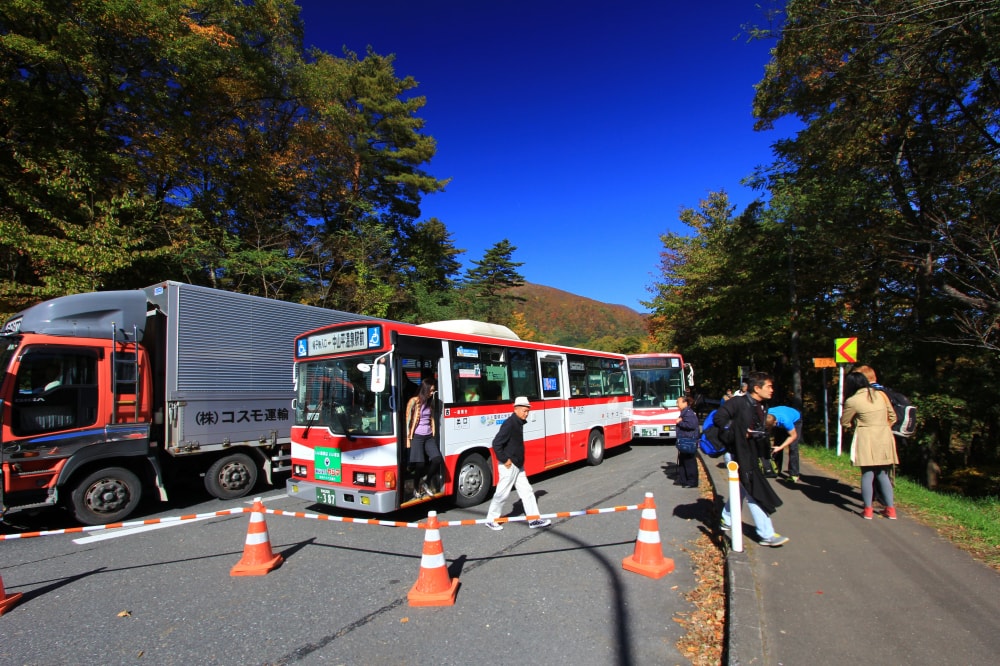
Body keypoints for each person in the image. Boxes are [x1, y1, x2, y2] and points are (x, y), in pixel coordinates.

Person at [715, 371, 789, 547]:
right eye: (769, 386)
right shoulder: (738, 402)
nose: (772, 390)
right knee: (754, 493)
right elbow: (720, 419)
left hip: (750, 454)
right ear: (757, 388)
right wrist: (739, 432)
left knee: (740, 490)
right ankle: (767, 534)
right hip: (736, 455)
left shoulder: (761, 406)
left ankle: (726, 519)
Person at [484, 397, 551, 530]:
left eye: (528, 411)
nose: (527, 413)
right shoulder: (510, 424)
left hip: (518, 465)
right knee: (502, 493)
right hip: (509, 465)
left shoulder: (518, 422)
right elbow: (496, 443)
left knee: (527, 492)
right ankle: (491, 519)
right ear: (516, 409)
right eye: (525, 411)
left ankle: (534, 520)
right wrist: (505, 460)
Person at [840, 371, 899, 519]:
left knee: (867, 473)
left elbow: (844, 422)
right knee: (883, 474)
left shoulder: (852, 401)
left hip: (865, 437)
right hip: (884, 435)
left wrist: (855, 425)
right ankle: (890, 509)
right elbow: (893, 416)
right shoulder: (881, 395)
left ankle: (868, 509)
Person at [406, 378, 443, 498]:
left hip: (428, 436)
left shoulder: (430, 402)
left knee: (437, 459)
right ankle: (416, 487)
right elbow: (407, 421)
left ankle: (426, 482)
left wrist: (433, 432)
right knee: (420, 464)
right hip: (417, 436)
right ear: (425, 389)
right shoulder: (413, 401)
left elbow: (432, 418)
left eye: (433, 391)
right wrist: (407, 439)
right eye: (431, 391)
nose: (432, 393)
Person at [767, 405, 802, 483]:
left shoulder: (786, 421)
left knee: (793, 447)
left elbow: (793, 436)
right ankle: (776, 469)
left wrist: (780, 447)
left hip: (795, 419)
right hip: (780, 415)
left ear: (775, 423)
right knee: (777, 444)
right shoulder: (766, 414)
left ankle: (794, 474)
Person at [674, 395, 700, 487]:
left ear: (685, 403)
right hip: (685, 440)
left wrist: (680, 422)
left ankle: (692, 481)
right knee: (683, 460)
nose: (677, 404)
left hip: (688, 441)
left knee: (689, 462)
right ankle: (683, 479)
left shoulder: (688, 413)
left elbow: (692, 425)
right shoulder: (684, 412)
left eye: (678, 402)